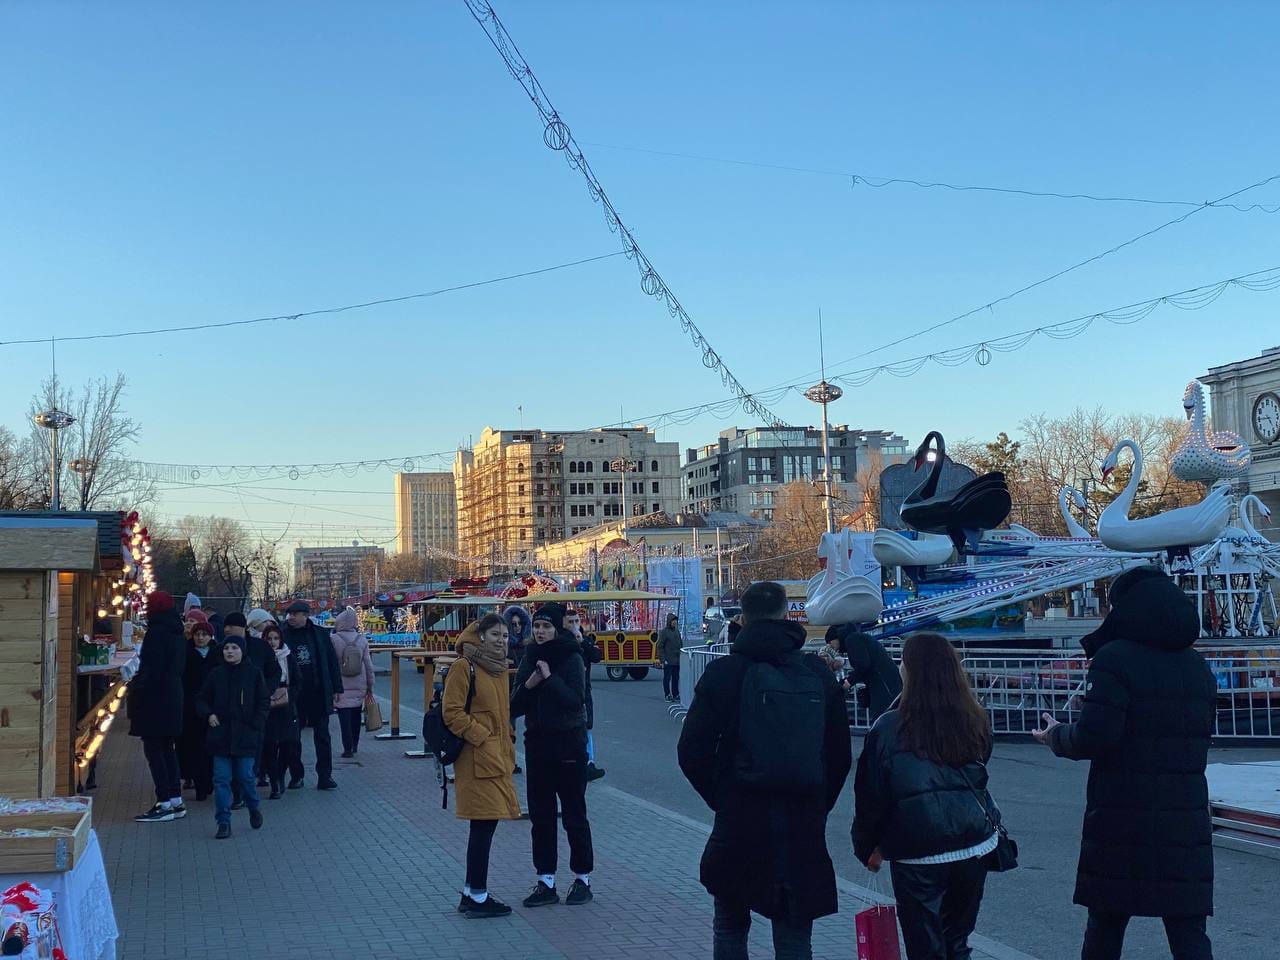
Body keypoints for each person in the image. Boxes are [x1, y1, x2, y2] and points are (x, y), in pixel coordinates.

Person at [1032, 568, 1216, 960]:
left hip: (1122, 812)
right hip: (1184, 815)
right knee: (1187, 926)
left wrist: (1057, 735)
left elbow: (1095, 736)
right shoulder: (1196, 666)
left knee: (1107, 920)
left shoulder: (1115, 659)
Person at [678, 581, 852, 960]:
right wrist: (817, 801)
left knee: (730, 923)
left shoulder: (725, 673)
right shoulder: (815, 673)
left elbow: (692, 751)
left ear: (742, 619)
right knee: (794, 934)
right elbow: (839, 754)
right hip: (802, 823)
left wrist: (724, 797)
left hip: (740, 819)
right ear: (786, 615)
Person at [853, 632, 1000, 960]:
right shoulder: (973, 717)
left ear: (910, 671)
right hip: (973, 843)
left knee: (925, 946)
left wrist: (867, 846)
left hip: (917, 850)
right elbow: (981, 768)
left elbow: (871, 797)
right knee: (956, 941)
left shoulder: (888, 727)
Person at [510, 602, 595, 908]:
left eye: (546, 626)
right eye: (537, 626)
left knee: (574, 815)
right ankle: (545, 881)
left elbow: (575, 700)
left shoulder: (572, 656)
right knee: (541, 817)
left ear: (557, 629)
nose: (540, 632)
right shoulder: (530, 656)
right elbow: (514, 705)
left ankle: (582, 879)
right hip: (537, 745)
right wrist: (531, 683)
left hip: (569, 745)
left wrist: (549, 679)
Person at [444, 614, 522, 918]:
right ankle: (478, 895)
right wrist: (482, 737)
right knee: (483, 825)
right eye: (495, 635)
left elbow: (502, 713)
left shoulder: (499, 668)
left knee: (485, 825)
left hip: (497, 756)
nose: (502, 641)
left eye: (505, 635)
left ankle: (470, 892)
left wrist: (507, 736)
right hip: (476, 758)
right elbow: (452, 712)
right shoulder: (465, 666)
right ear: (480, 637)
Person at [196, 635, 270, 839]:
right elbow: (202, 698)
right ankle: (223, 822)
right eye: (226, 647)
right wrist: (208, 714)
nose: (229, 651)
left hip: (246, 736)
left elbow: (263, 701)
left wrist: (256, 723)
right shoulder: (216, 674)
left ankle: (253, 807)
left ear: (242, 651)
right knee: (221, 780)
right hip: (220, 736)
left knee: (246, 776)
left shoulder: (254, 673)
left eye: (234, 648)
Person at [129, 591, 189, 823]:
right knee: (167, 749)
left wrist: (137, 685)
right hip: (173, 696)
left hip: (155, 699)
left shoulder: (156, 633)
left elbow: (151, 668)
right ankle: (175, 800)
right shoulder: (177, 632)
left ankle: (164, 802)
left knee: (154, 751)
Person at [281, 600, 343, 790]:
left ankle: (325, 776)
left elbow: (331, 661)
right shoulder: (282, 633)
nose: (291, 618)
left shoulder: (320, 634)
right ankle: (296, 775)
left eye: (295, 614)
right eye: (289, 614)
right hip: (294, 695)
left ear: (305, 615)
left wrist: (337, 688)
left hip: (318, 692)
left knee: (323, 736)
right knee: (292, 738)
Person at [260, 622, 302, 800]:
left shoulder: (287, 656)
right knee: (269, 744)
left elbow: (298, 680)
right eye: (269, 638)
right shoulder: (260, 657)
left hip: (286, 704)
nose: (272, 642)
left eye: (276, 638)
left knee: (288, 742)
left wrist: (290, 696)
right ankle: (274, 782)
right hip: (267, 705)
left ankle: (281, 773)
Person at [178, 619, 218, 802]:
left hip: (212, 707)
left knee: (211, 748)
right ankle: (199, 783)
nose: (200, 638)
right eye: (197, 634)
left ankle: (209, 781)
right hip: (190, 708)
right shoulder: (186, 653)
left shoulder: (217, 653)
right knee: (194, 748)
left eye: (204, 635)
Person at [565, 608, 605, 782]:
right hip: (568, 691)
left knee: (587, 726)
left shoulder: (585, 639)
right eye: (570, 622)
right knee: (571, 727)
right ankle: (575, 763)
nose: (574, 625)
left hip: (584, 690)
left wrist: (583, 642)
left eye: (576, 621)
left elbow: (597, 656)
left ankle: (589, 763)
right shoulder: (562, 641)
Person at [330, 607, 375, 758]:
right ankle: (355, 745)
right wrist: (370, 685)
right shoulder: (361, 639)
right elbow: (368, 664)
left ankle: (347, 747)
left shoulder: (334, 639)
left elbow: (331, 664)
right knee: (356, 716)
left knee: (344, 717)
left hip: (341, 684)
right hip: (359, 683)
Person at [842, 628, 903, 723]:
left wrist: (849, 681)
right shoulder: (862, 639)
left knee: (883, 718)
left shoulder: (853, 640)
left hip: (883, 686)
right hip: (887, 684)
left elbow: (863, 665)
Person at [658, 612, 683, 703]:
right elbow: (660, 646)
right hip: (668, 660)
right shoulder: (664, 632)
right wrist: (663, 659)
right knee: (667, 678)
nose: (675, 622)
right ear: (669, 621)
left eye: (675, 620)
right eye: (673, 621)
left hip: (676, 660)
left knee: (676, 678)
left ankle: (675, 694)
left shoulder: (676, 631)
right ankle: (667, 694)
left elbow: (680, 643)